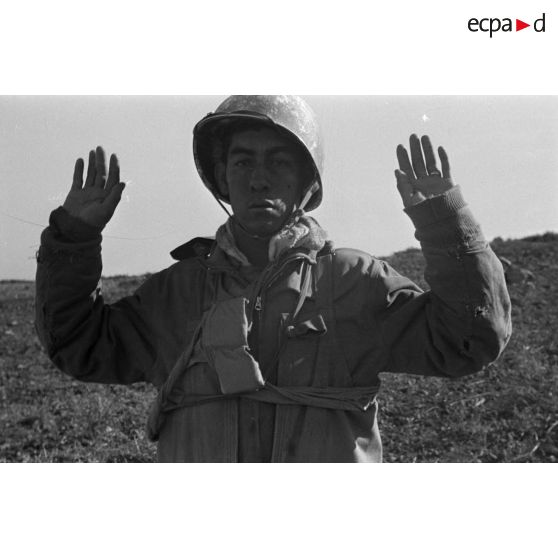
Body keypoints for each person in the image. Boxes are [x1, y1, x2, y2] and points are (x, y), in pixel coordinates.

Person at [35, 95, 512, 462]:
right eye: (243, 162)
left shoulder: (354, 281)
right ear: (222, 178)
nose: (259, 179)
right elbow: (79, 343)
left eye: (279, 162)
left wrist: (445, 222)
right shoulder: (177, 292)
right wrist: (74, 237)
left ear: (307, 181)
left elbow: (468, 339)